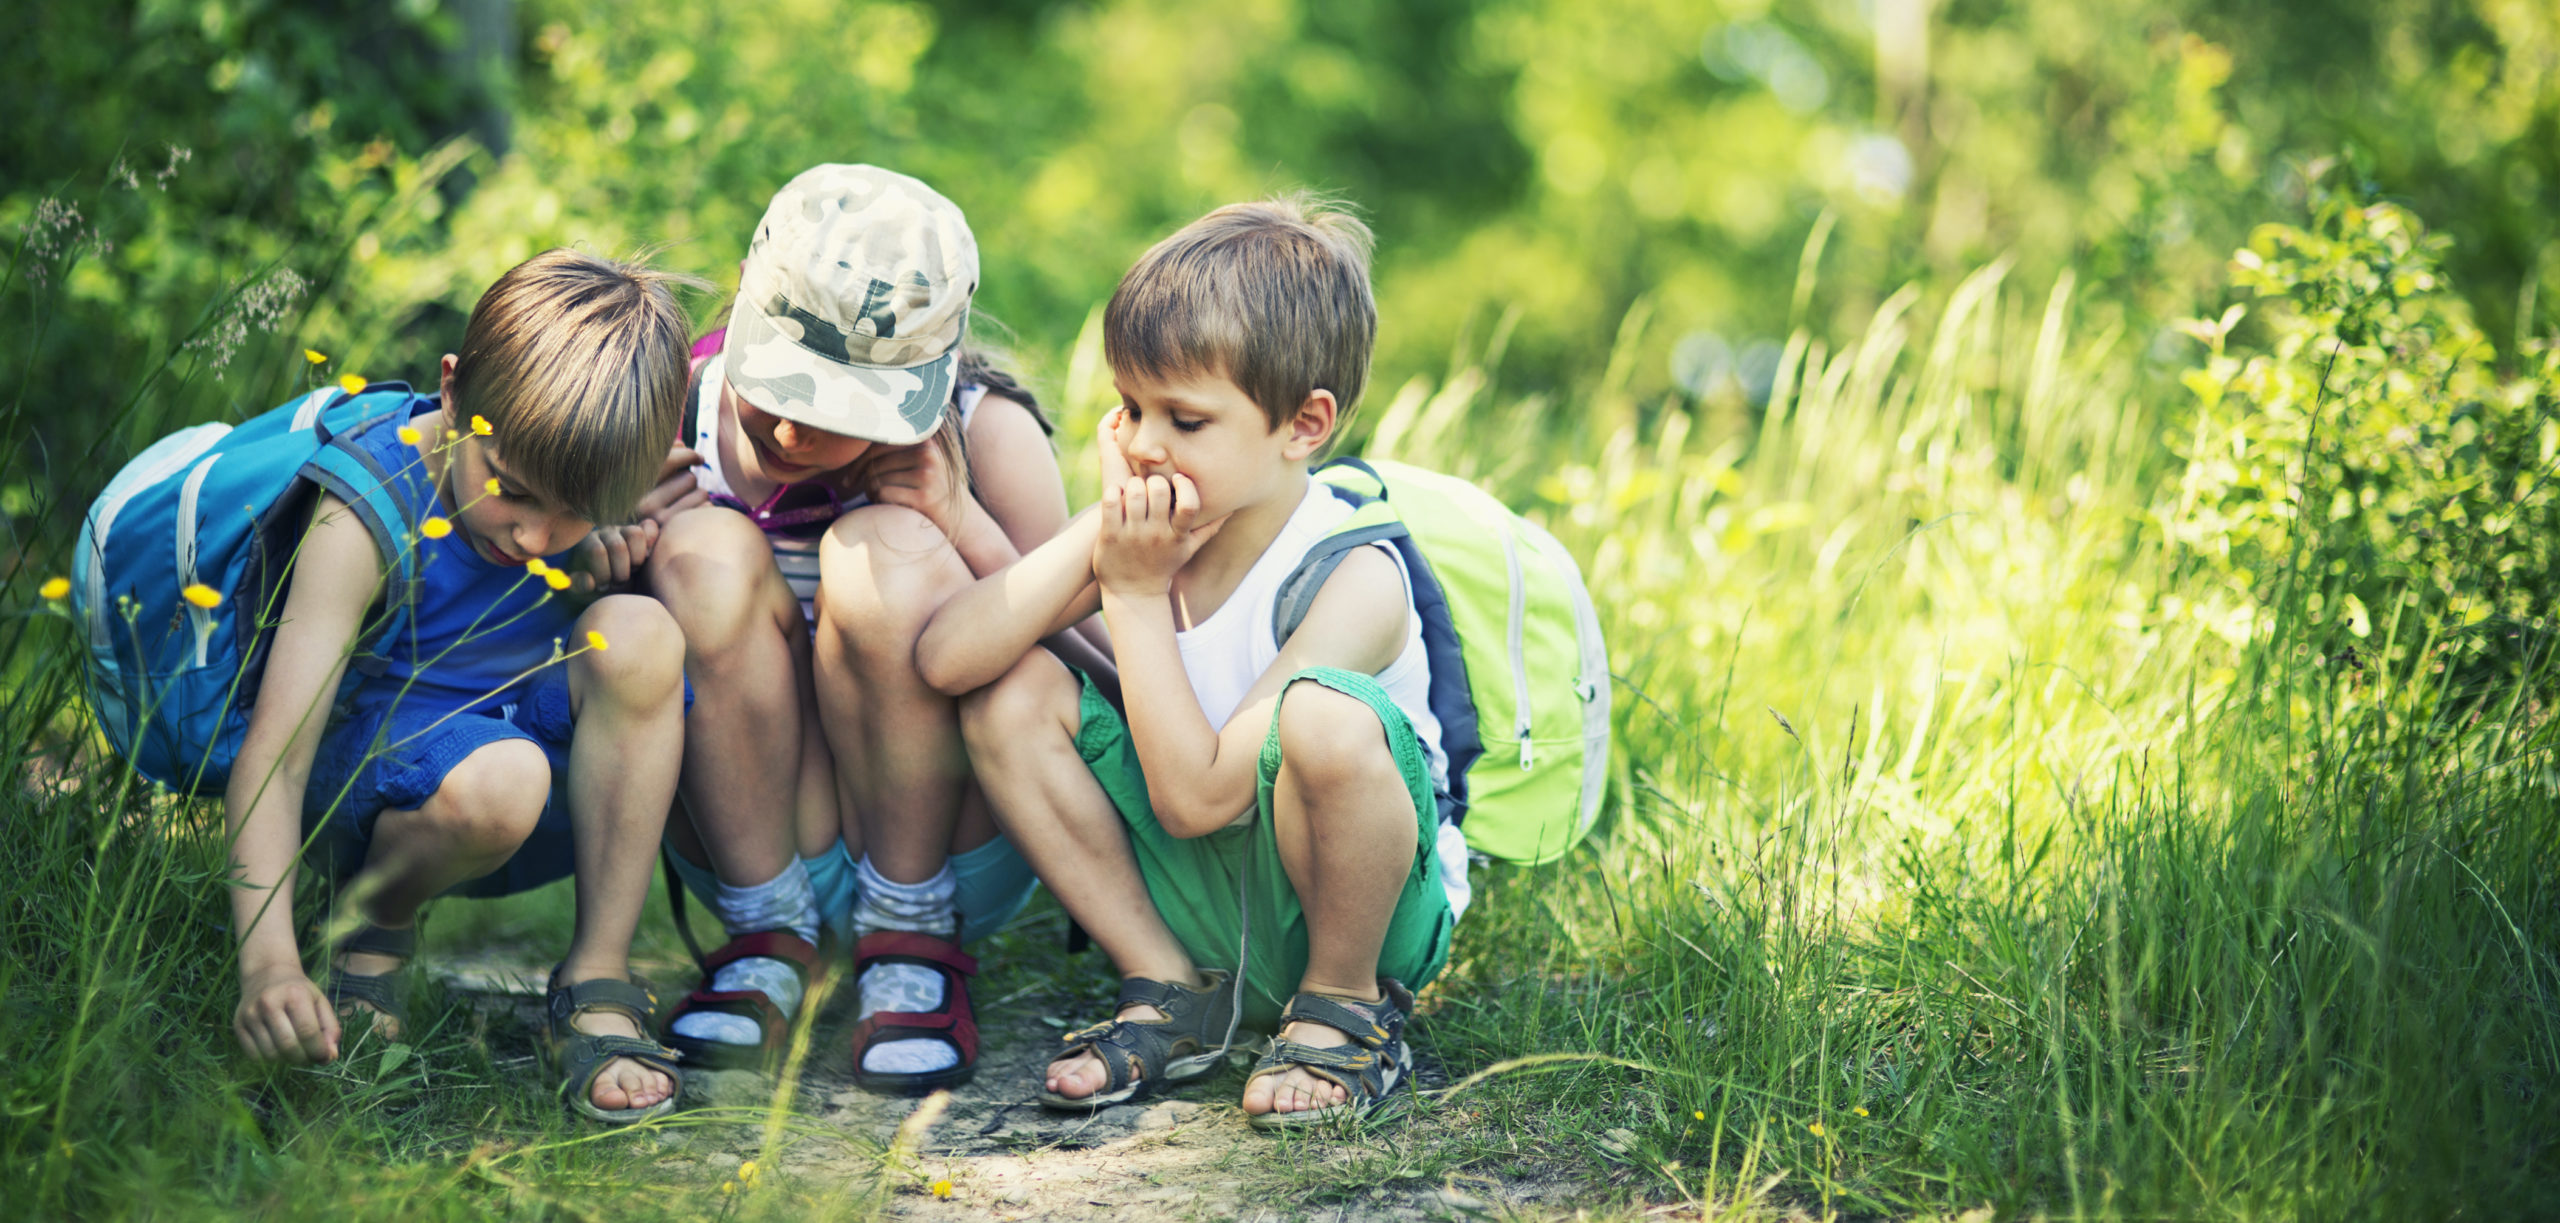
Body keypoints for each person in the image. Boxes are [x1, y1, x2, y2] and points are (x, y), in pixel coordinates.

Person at [917, 195, 1472, 1127]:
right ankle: (1170, 986)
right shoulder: (1147, 525)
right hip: (1196, 898)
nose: (1141, 444)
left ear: (1303, 425)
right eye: (1129, 407)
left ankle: (1343, 1013)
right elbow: (946, 659)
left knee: (1324, 716)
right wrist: (1095, 542)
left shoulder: (1355, 574)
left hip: (1350, 911)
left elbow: (1199, 797)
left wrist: (1130, 593)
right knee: (1008, 690)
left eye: (1185, 418)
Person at [635, 164, 1105, 1091]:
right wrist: (612, 542)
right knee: (700, 548)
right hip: (753, 841)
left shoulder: (989, 432)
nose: (796, 436)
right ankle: (765, 932)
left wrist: (961, 523)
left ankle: (913, 938)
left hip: (950, 847)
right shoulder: (671, 409)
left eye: (836, 410)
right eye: (783, 389)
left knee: (882, 548)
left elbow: (1092, 675)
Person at [225, 249, 697, 1123]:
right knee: (505, 777)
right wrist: (268, 966)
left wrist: (594, 568)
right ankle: (370, 923)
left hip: (509, 748)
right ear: (451, 389)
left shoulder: (565, 483)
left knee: (642, 633)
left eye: (570, 513)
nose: (532, 535)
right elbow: (276, 757)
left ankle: (596, 975)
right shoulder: (367, 507)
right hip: (369, 783)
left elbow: (563, 567)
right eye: (511, 492)